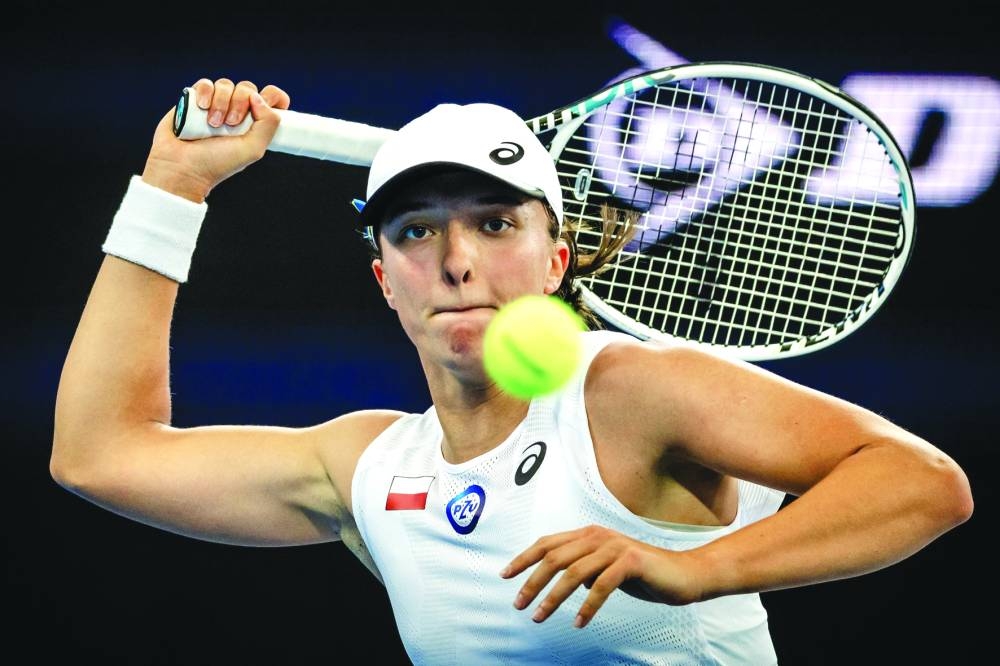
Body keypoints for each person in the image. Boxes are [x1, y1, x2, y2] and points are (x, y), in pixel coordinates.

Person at [51, 77, 973, 665]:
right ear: (384, 279)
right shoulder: (369, 470)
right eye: (417, 231)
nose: (457, 261)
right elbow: (99, 454)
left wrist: (702, 568)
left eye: (495, 225)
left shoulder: (633, 392)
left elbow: (924, 483)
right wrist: (171, 191)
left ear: (556, 259)